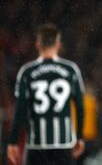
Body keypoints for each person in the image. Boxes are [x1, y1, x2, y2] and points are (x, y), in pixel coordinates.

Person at [7, 23, 85, 165]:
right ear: (58, 44)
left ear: (37, 44)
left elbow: (20, 111)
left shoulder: (27, 72)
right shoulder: (71, 70)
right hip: (63, 144)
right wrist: (79, 137)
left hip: (37, 146)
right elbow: (80, 107)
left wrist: (13, 141)